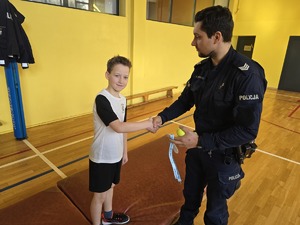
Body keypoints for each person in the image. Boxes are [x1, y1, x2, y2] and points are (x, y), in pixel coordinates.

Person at [152, 5, 267, 225]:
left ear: (217, 37)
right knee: (190, 199)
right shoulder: (202, 69)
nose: (193, 42)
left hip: (223, 157)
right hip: (198, 150)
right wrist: (162, 117)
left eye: (197, 37)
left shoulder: (247, 75)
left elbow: (247, 130)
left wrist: (201, 140)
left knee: (215, 212)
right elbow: (186, 100)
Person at [89, 55, 154, 225]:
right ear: (107, 75)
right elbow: (118, 126)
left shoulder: (123, 100)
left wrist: (124, 151)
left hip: (115, 155)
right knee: (99, 195)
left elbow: (124, 127)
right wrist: (147, 123)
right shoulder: (102, 99)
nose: (121, 80)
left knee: (111, 186)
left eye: (125, 77)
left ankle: (108, 218)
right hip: (102, 156)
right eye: (117, 75)